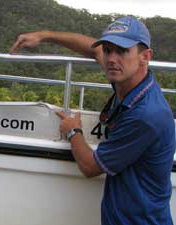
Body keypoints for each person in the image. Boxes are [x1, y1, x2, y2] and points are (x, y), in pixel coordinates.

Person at [10, 16, 175, 225]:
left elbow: (90, 166)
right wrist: (44, 36)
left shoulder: (147, 115)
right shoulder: (130, 82)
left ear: (145, 56)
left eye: (122, 51)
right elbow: (92, 48)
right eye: (108, 50)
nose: (111, 59)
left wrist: (73, 131)